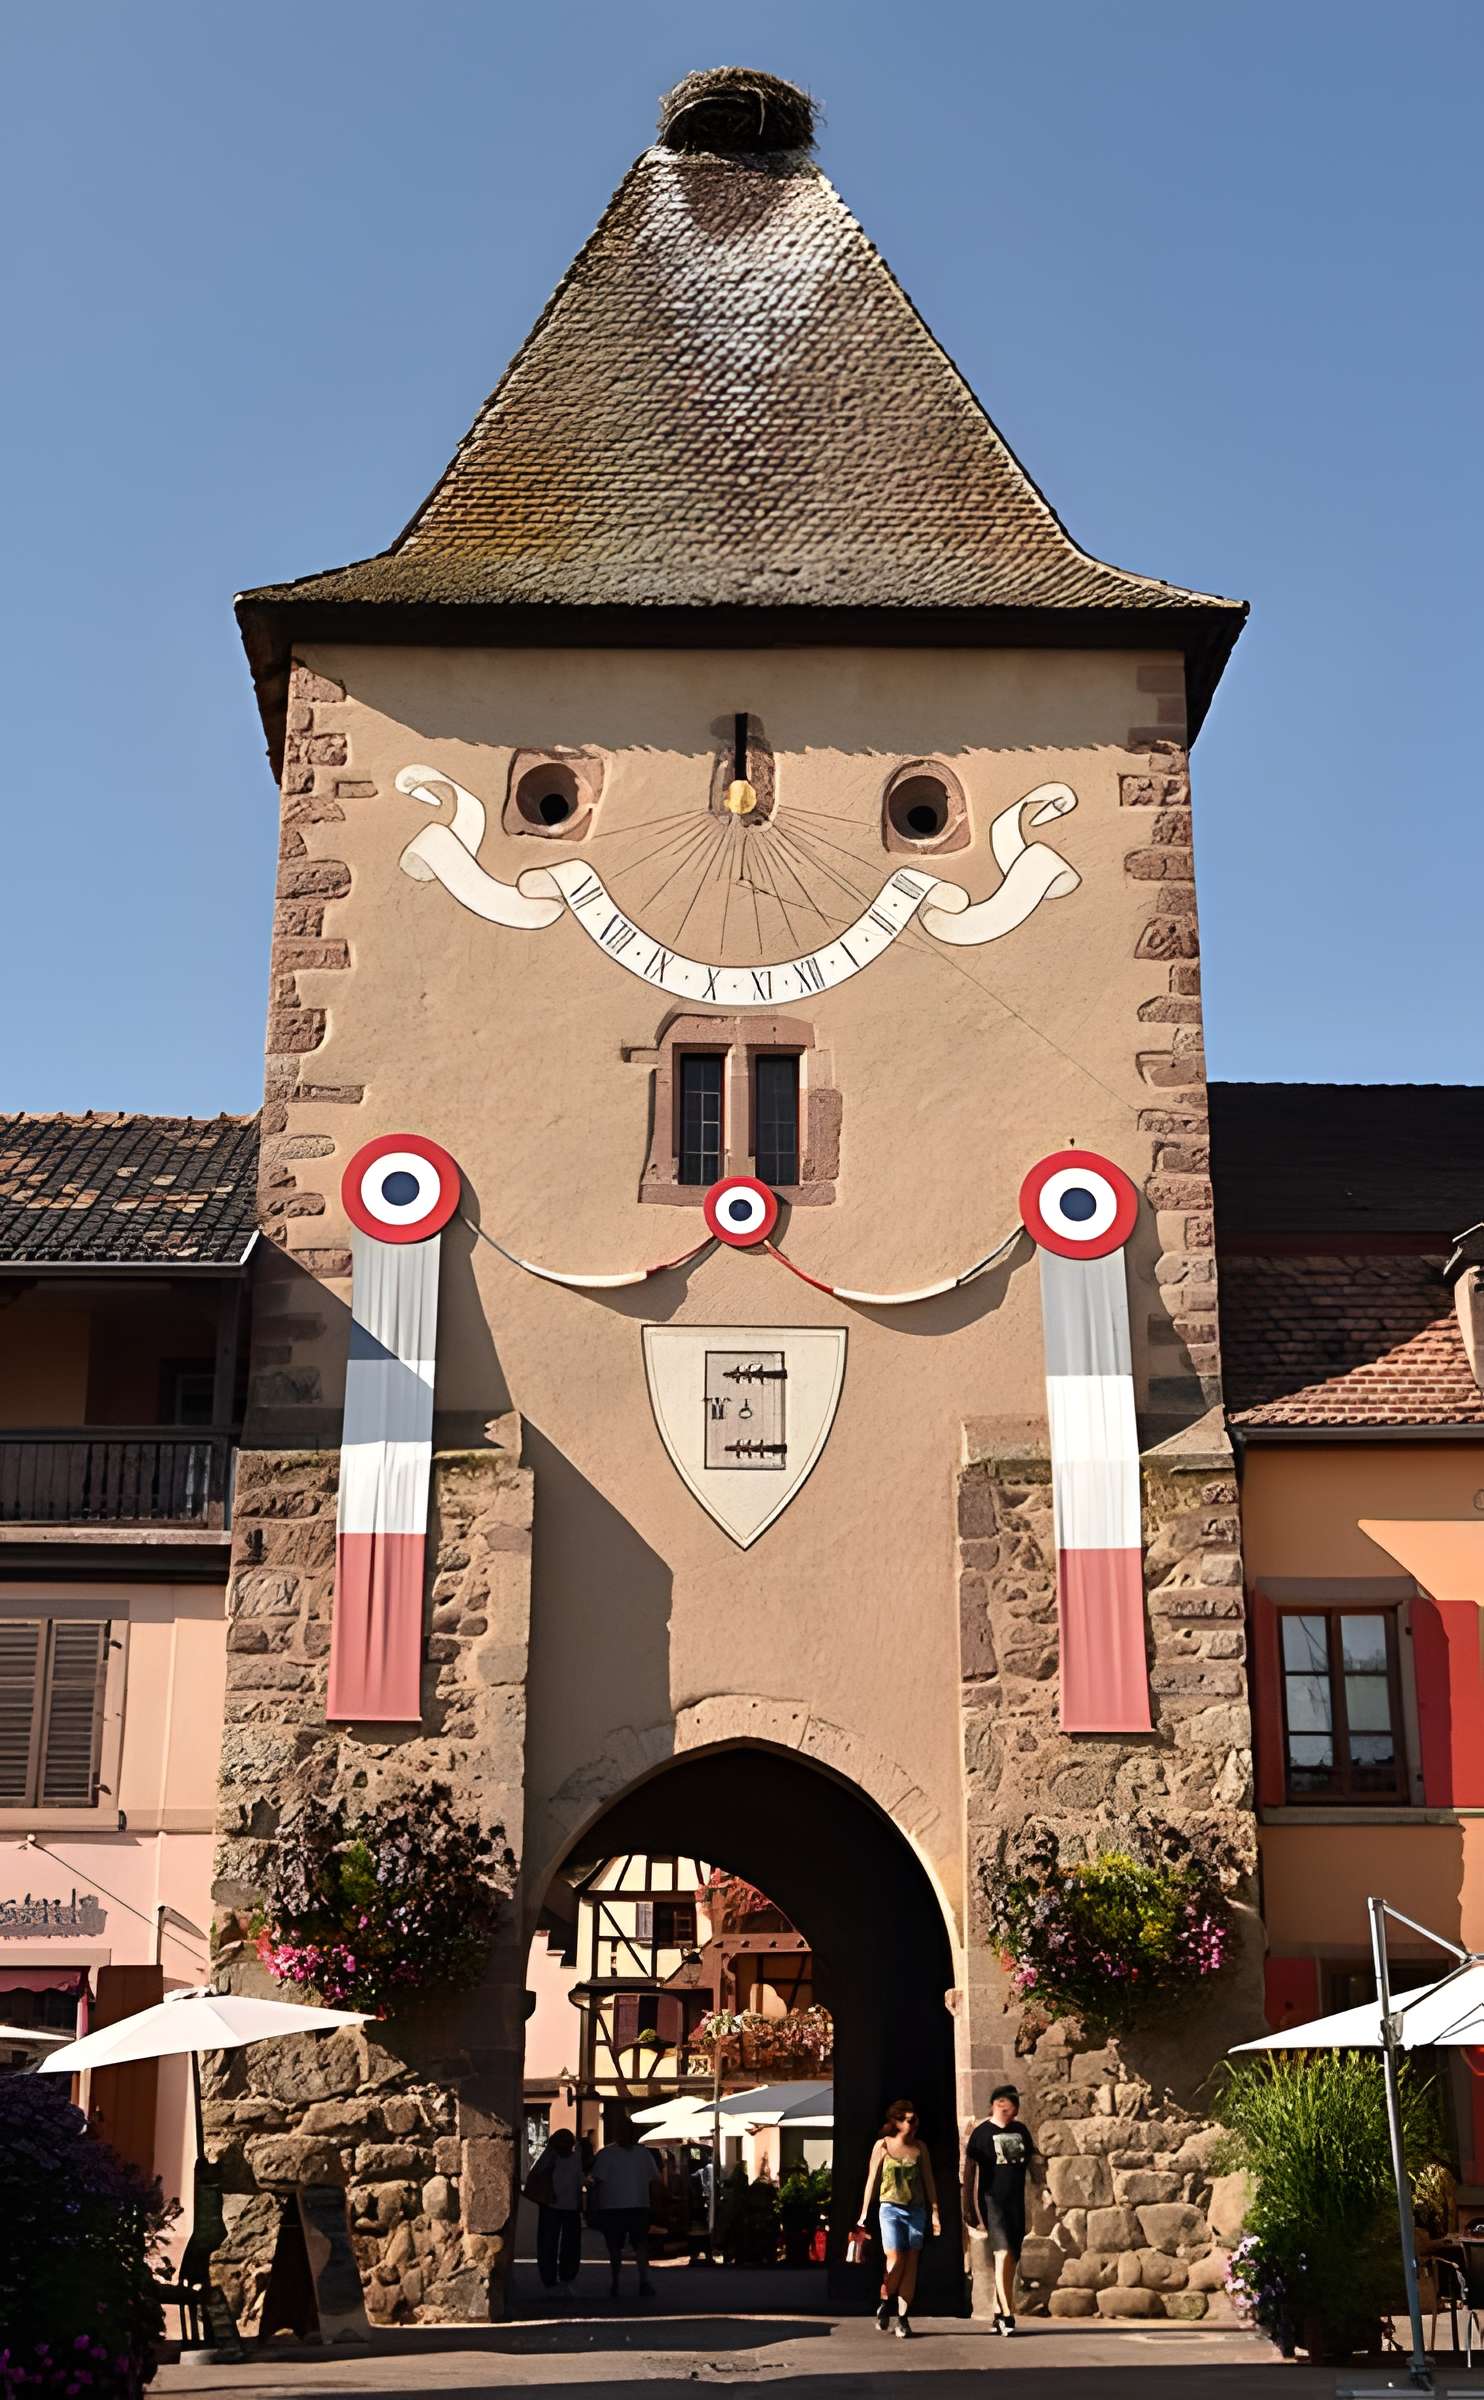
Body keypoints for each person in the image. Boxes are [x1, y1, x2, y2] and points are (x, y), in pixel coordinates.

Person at [855, 2098, 940, 2339]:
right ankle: (885, 2299)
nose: (913, 2125)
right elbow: (872, 2179)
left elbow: (929, 2181)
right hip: (890, 2208)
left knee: (911, 2261)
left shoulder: (920, 2148)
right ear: (896, 2122)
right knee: (896, 2257)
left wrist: (935, 2212)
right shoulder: (883, 2146)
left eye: (915, 2120)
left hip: (916, 2209)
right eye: (908, 2120)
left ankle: (902, 2317)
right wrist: (863, 2213)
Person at [962, 2083, 1040, 2335]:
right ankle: (1007, 2314)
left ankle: (997, 2312)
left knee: (1012, 2258)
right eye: (1006, 2103)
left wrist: (1043, 2189)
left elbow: (1032, 2162)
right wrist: (972, 2211)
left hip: (1016, 2201)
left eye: (1014, 2104)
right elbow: (970, 2174)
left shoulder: (1021, 2131)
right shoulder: (981, 2133)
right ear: (996, 2104)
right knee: (1002, 2253)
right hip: (991, 2200)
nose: (1011, 2108)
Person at [587, 2117, 665, 2300]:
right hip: (638, 2205)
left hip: (613, 2207)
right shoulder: (643, 2154)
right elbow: (655, 2180)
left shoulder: (606, 2154)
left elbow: (597, 2182)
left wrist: (593, 2206)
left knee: (616, 2248)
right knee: (640, 2246)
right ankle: (642, 2282)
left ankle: (617, 2282)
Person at [525, 2124, 583, 2303]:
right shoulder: (550, 2158)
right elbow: (536, 2177)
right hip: (554, 2207)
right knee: (551, 2245)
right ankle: (552, 2281)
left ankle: (563, 2279)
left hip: (567, 2208)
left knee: (565, 2245)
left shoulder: (574, 2158)